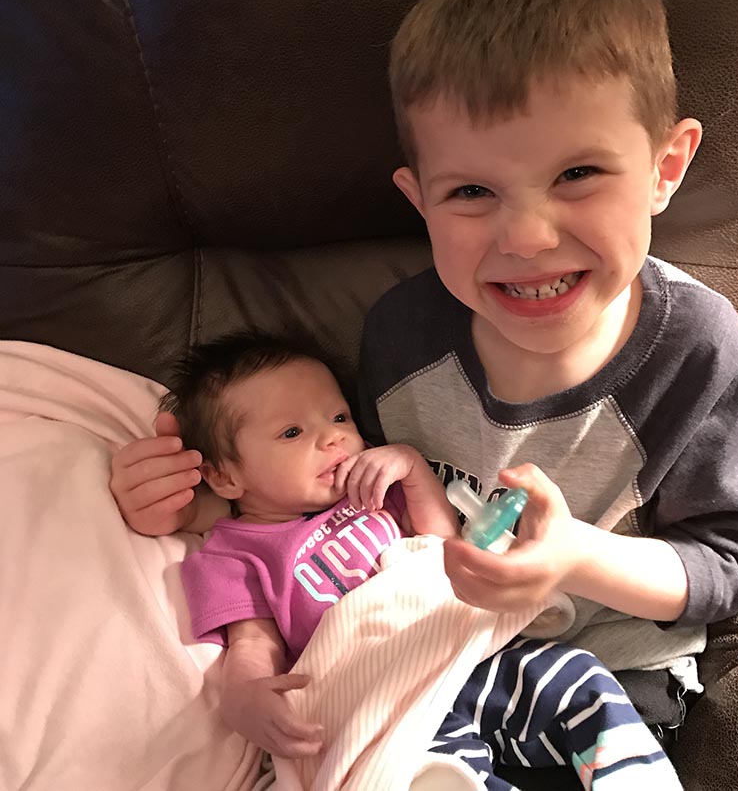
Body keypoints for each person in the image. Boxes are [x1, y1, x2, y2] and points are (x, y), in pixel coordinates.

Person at [109, 0, 738, 782]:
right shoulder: (403, 334)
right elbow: (335, 499)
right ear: (418, 200)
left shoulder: (697, 350)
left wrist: (573, 557)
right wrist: (185, 498)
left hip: (613, 678)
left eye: (577, 173)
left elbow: (728, 569)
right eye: (471, 192)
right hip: (431, 668)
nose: (528, 238)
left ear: (664, 168)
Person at [149, 329, 683, 790]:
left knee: (577, 680)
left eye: (338, 416)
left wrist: (410, 467)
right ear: (225, 477)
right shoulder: (234, 550)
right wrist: (243, 696)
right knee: (437, 778)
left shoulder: (372, 489)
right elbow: (252, 640)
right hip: (384, 701)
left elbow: (441, 548)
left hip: (466, 654)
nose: (333, 436)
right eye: (293, 432)